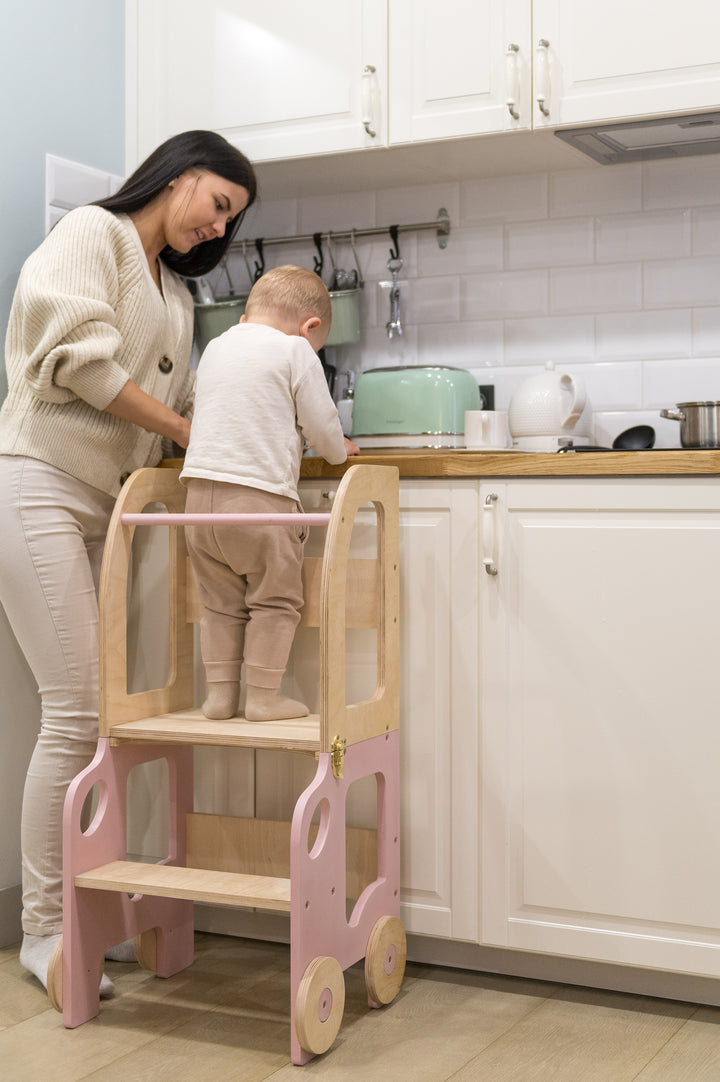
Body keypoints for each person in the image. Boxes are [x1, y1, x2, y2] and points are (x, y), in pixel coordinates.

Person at [0, 129, 257, 995]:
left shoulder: (178, 299)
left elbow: (177, 401)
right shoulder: (93, 235)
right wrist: (188, 431)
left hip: (107, 507)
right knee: (76, 711)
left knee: (105, 717)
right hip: (37, 483)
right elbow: (76, 364)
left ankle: (84, 907)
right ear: (183, 174)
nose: (217, 227)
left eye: (231, 220)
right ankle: (43, 930)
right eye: (219, 203)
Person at [181, 265, 360, 723]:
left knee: (219, 604)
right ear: (311, 327)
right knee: (275, 601)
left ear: (245, 316)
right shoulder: (296, 349)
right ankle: (262, 697)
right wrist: (340, 450)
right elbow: (323, 431)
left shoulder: (217, 347)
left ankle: (220, 697)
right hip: (260, 502)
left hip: (198, 501)